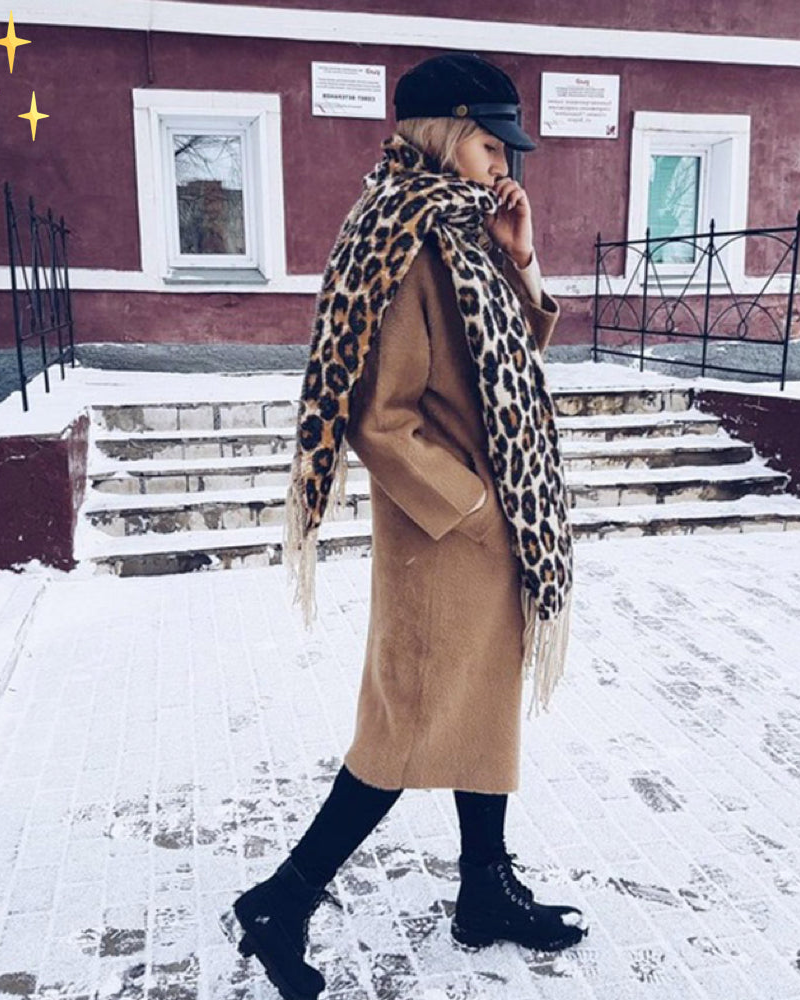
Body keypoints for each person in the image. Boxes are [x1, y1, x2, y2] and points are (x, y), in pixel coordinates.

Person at [229, 51, 582, 1000]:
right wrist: (471, 509)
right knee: (402, 730)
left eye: (508, 144)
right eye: (489, 140)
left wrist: (520, 255)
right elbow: (377, 419)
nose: (505, 158)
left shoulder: (463, 228)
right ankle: (281, 901)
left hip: (495, 523)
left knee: (481, 710)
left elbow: (509, 359)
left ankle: (484, 889)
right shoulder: (399, 235)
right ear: (442, 133)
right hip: (447, 534)